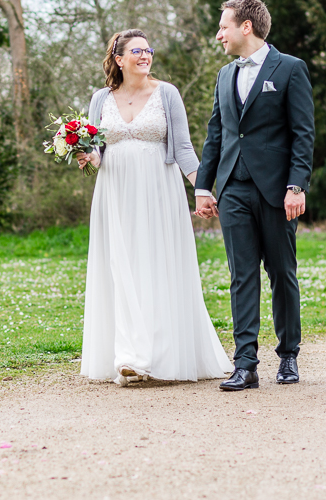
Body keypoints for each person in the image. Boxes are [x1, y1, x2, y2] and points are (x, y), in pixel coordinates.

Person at [78, 28, 234, 385]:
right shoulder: (100, 98)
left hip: (158, 194)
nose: (145, 56)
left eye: (148, 50)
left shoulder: (167, 94)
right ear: (119, 60)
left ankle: (160, 356)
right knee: (121, 268)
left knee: (156, 266)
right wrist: (86, 155)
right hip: (114, 195)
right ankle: (129, 356)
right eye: (136, 51)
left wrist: (205, 189)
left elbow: (183, 149)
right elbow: (98, 151)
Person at [194, 0, 315, 392]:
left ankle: (288, 357)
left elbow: (303, 135)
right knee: (241, 277)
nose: (219, 35)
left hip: (278, 193)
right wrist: (202, 187)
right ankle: (245, 364)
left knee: (281, 273)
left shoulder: (291, 69)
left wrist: (296, 186)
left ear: (246, 26)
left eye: (223, 26)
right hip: (232, 192)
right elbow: (217, 135)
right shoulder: (224, 75)